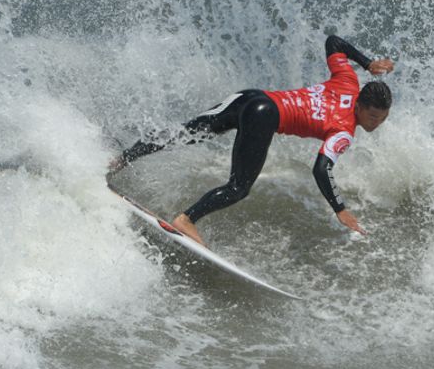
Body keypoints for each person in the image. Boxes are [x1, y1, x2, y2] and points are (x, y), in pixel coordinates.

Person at [109, 34, 394, 246]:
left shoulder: (348, 80)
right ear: (358, 106)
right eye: (372, 117)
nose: (376, 124)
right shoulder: (344, 129)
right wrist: (340, 209)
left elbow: (334, 43)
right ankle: (186, 220)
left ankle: (120, 160)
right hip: (265, 115)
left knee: (184, 135)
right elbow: (321, 169)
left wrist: (366, 64)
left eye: (382, 119)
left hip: (252, 97)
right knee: (238, 187)